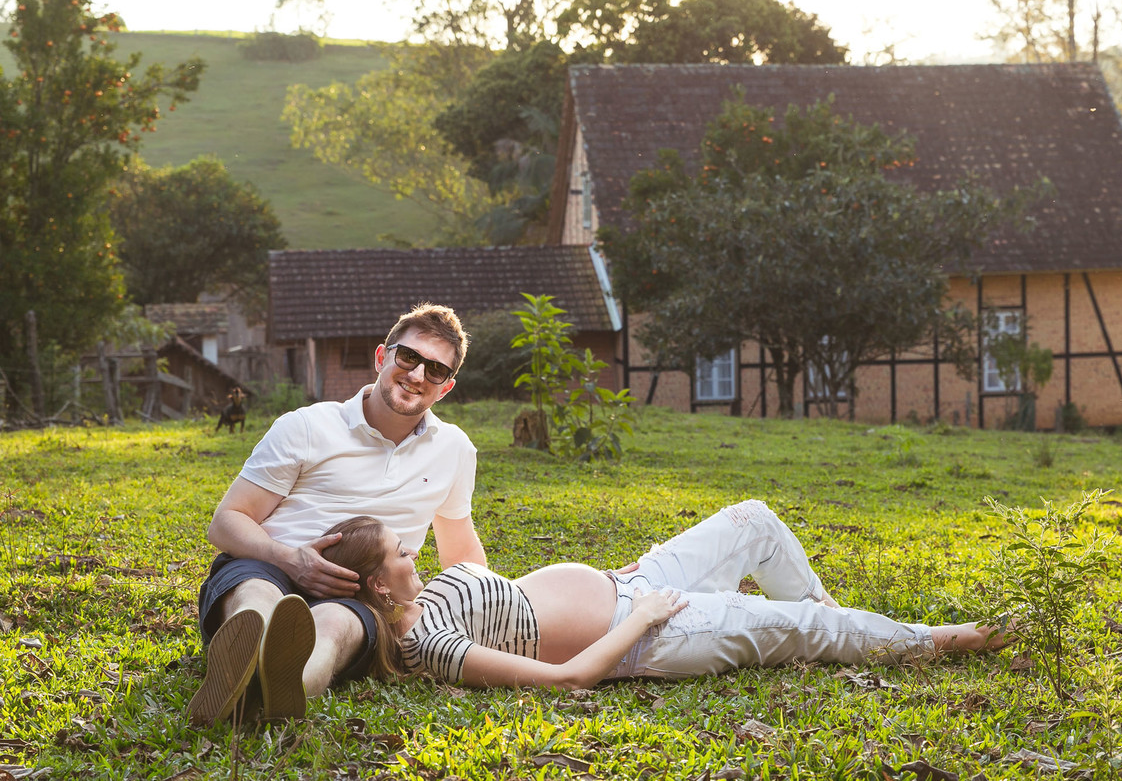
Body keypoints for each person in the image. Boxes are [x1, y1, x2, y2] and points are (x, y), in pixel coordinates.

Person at [321, 500, 1011, 690]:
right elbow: (568, 677)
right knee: (796, 626)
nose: (414, 551)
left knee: (756, 519)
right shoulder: (427, 643)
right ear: (380, 581)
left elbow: (518, 596)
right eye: (399, 551)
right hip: (650, 629)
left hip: (631, 582)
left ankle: (847, 623)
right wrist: (645, 613)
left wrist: (623, 581)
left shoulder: (432, 592)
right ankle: (942, 638)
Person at [187, 303, 483, 727]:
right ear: (383, 357)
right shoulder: (306, 426)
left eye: (434, 370)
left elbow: (461, 550)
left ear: (446, 387)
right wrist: (290, 559)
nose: (417, 375)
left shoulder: (454, 449)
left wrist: (488, 607)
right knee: (259, 598)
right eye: (409, 357)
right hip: (269, 564)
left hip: (361, 596)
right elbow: (227, 521)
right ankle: (241, 660)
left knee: (335, 626)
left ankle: (278, 687)